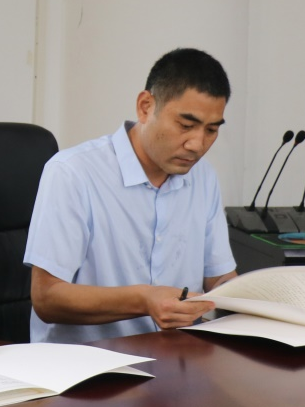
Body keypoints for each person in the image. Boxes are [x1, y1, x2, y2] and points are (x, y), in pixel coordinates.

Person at [25, 47, 238, 344]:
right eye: (186, 126)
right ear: (145, 107)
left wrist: (262, 299)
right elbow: (46, 298)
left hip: (178, 359)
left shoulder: (204, 177)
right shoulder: (73, 173)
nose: (197, 144)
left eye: (212, 130)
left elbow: (220, 280)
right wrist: (145, 299)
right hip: (88, 364)